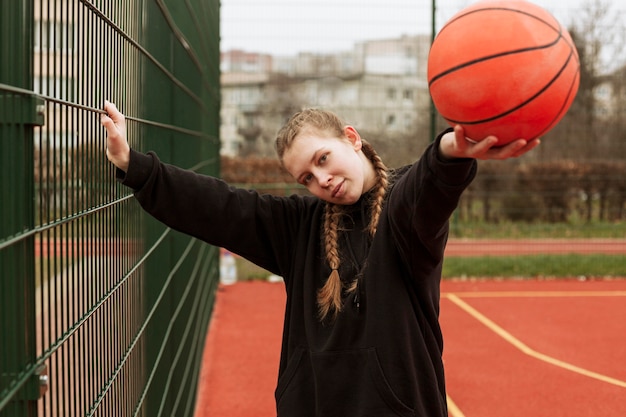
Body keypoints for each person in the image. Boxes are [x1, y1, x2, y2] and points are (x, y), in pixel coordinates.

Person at [101, 101, 539, 417]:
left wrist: (450, 149)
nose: (322, 180)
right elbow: (222, 207)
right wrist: (134, 165)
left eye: (323, 159)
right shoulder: (299, 227)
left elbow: (431, 183)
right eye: (306, 177)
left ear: (351, 138)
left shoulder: (403, 207)